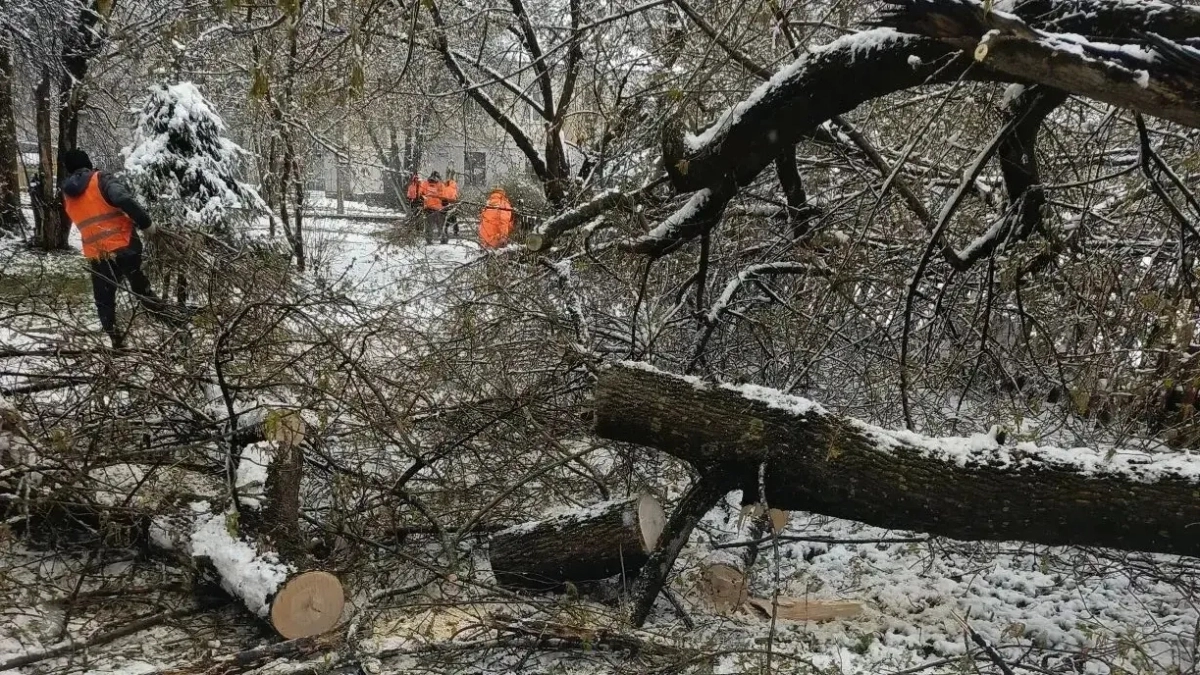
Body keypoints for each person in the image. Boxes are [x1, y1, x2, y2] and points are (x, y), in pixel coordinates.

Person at [60, 148, 176, 349]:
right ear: (87, 162)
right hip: (125, 246)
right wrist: (146, 223)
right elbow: (123, 199)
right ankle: (172, 323)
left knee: (104, 300)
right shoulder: (100, 179)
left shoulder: (68, 194)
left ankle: (116, 341)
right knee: (141, 289)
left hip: (98, 254)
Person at [420, 171, 448, 245]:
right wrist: (445, 205)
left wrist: (424, 202)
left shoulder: (425, 184)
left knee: (429, 225)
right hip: (438, 208)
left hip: (428, 208)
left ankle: (429, 239)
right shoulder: (441, 185)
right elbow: (444, 196)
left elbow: (421, 194)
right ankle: (443, 238)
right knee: (440, 225)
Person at [442, 172, 459, 237]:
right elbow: (456, 196)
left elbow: (444, 195)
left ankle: (446, 229)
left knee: (448, 218)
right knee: (453, 218)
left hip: (447, 203)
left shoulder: (447, 187)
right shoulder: (454, 187)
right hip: (452, 203)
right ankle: (455, 231)